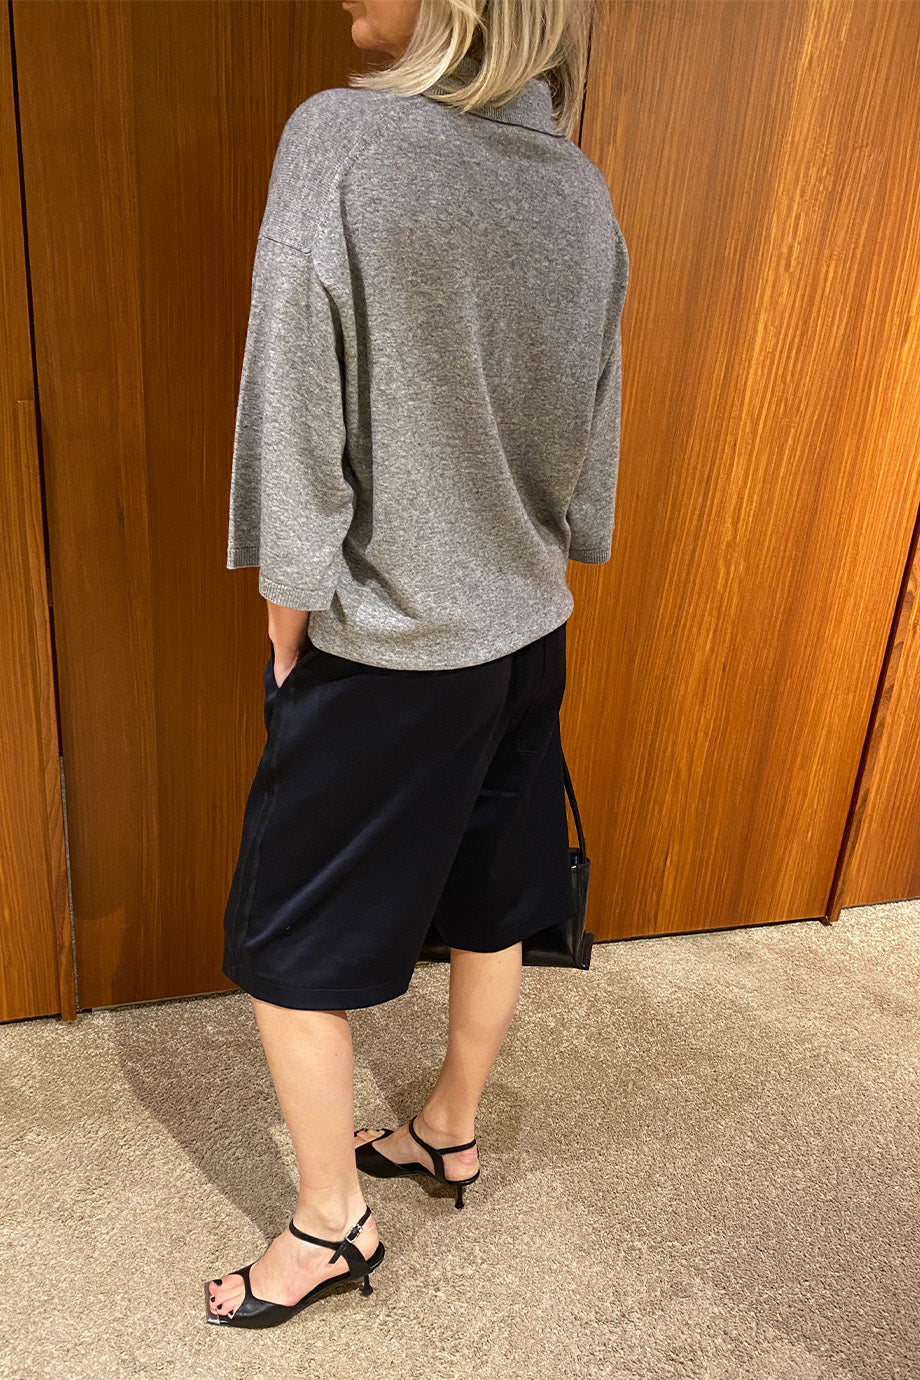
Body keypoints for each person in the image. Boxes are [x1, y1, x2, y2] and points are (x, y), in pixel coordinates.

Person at [206, 0, 628, 1330]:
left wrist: (289, 596)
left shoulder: (343, 140)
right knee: (493, 891)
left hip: (389, 638)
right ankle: (450, 1123)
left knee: (290, 941)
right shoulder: (577, 186)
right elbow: (593, 417)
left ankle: (329, 1223)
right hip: (528, 624)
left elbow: (295, 379)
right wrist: (552, 543)